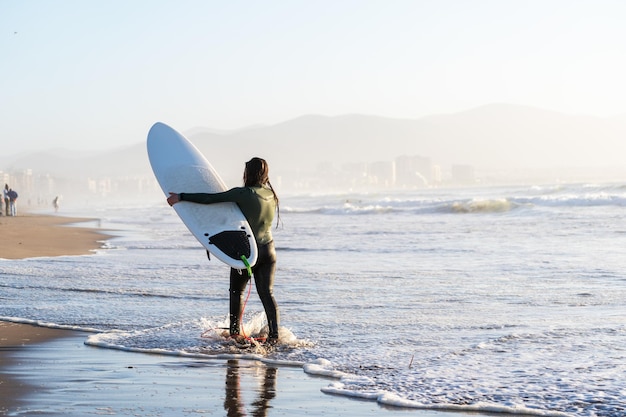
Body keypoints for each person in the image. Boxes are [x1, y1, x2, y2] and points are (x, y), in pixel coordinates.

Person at [167, 157, 281, 345]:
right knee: (267, 293)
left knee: (236, 290)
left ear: (249, 173)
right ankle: (274, 336)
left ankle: (235, 333)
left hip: (247, 250)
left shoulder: (243, 193)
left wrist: (181, 197)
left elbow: (211, 199)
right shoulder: (271, 195)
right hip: (269, 249)